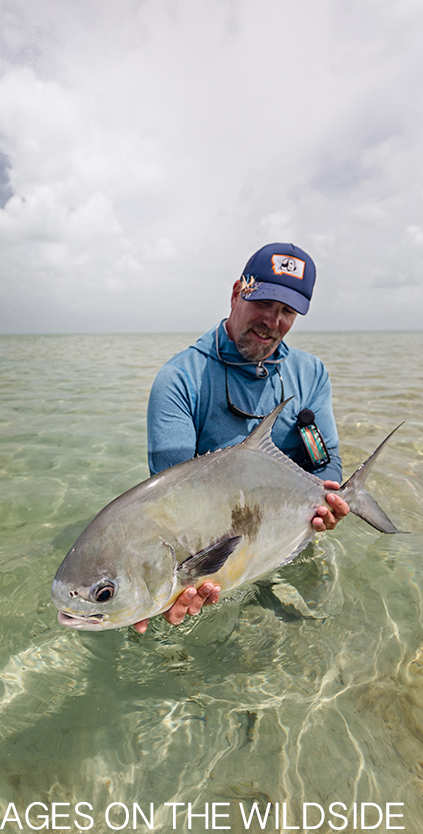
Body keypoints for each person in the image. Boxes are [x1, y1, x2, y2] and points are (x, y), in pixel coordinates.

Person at [133, 242, 349, 634]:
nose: (272, 321)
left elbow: (325, 460)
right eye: (263, 303)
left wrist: (326, 499)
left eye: (287, 312)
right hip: (212, 551)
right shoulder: (180, 380)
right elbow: (171, 505)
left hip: (287, 532)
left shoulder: (310, 373)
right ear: (237, 292)